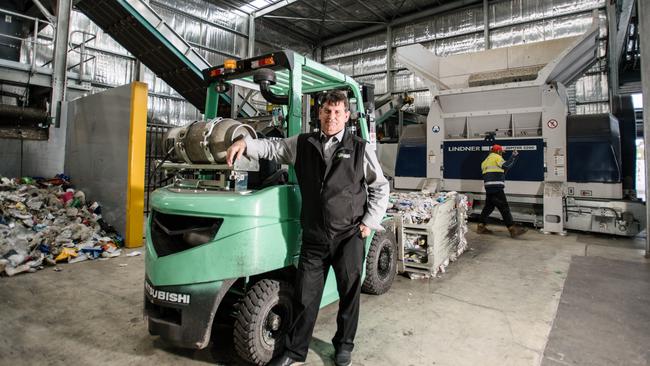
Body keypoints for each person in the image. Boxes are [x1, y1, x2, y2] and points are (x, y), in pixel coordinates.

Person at [226, 90, 389, 366]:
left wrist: (368, 223)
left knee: (349, 294)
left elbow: (380, 187)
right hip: (314, 236)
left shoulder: (361, 148)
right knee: (305, 296)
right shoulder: (303, 143)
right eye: (327, 111)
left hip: (349, 236)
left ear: (347, 116)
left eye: (338, 112)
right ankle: (294, 352)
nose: (331, 117)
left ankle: (344, 346)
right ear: (319, 113)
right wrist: (246, 143)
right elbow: (273, 147)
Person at [477, 144, 527, 238]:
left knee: (488, 208)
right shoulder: (497, 157)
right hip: (496, 187)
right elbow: (506, 165)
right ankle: (512, 229)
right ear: (499, 151)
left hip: (488, 187)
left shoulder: (484, 161)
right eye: (501, 153)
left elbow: (498, 171)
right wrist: (513, 156)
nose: (502, 155)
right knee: (504, 208)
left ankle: (481, 226)